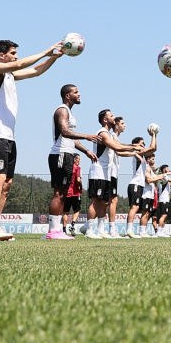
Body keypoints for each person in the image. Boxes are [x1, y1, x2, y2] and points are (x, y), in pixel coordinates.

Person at [0, 39, 65, 242]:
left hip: (9, 137)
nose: (16, 57)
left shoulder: (9, 76)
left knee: (7, 184)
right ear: (2, 56)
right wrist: (46, 50)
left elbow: (36, 71)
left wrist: (53, 57)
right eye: (12, 53)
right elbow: (20, 65)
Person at [46, 84, 101, 240]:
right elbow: (64, 131)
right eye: (76, 92)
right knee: (59, 193)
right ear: (67, 96)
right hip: (60, 154)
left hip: (68, 154)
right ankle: (52, 231)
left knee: (63, 194)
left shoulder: (70, 112)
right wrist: (86, 136)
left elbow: (72, 139)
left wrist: (86, 151)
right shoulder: (62, 110)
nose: (79, 94)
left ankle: (57, 231)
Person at [83, 110, 141, 239]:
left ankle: (101, 230)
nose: (113, 117)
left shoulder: (108, 134)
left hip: (106, 173)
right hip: (98, 171)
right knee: (96, 201)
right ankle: (89, 230)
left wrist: (133, 147)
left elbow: (119, 145)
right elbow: (117, 147)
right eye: (111, 116)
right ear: (105, 120)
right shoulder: (102, 133)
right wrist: (134, 148)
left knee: (104, 202)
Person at [123, 134, 158, 237]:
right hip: (135, 184)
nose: (144, 145)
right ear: (136, 145)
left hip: (139, 185)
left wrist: (154, 136)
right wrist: (154, 135)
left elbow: (153, 148)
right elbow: (152, 148)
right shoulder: (138, 152)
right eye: (142, 143)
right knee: (134, 207)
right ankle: (129, 230)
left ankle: (137, 231)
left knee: (136, 207)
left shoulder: (141, 154)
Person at [63, 156, 82, 235]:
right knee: (76, 211)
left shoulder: (67, 168)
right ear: (75, 159)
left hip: (66, 193)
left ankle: (64, 229)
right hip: (75, 192)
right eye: (79, 159)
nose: (79, 161)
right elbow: (78, 180)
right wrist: (81, 186)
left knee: (66, 212)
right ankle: (72, 225)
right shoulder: (77, 168)